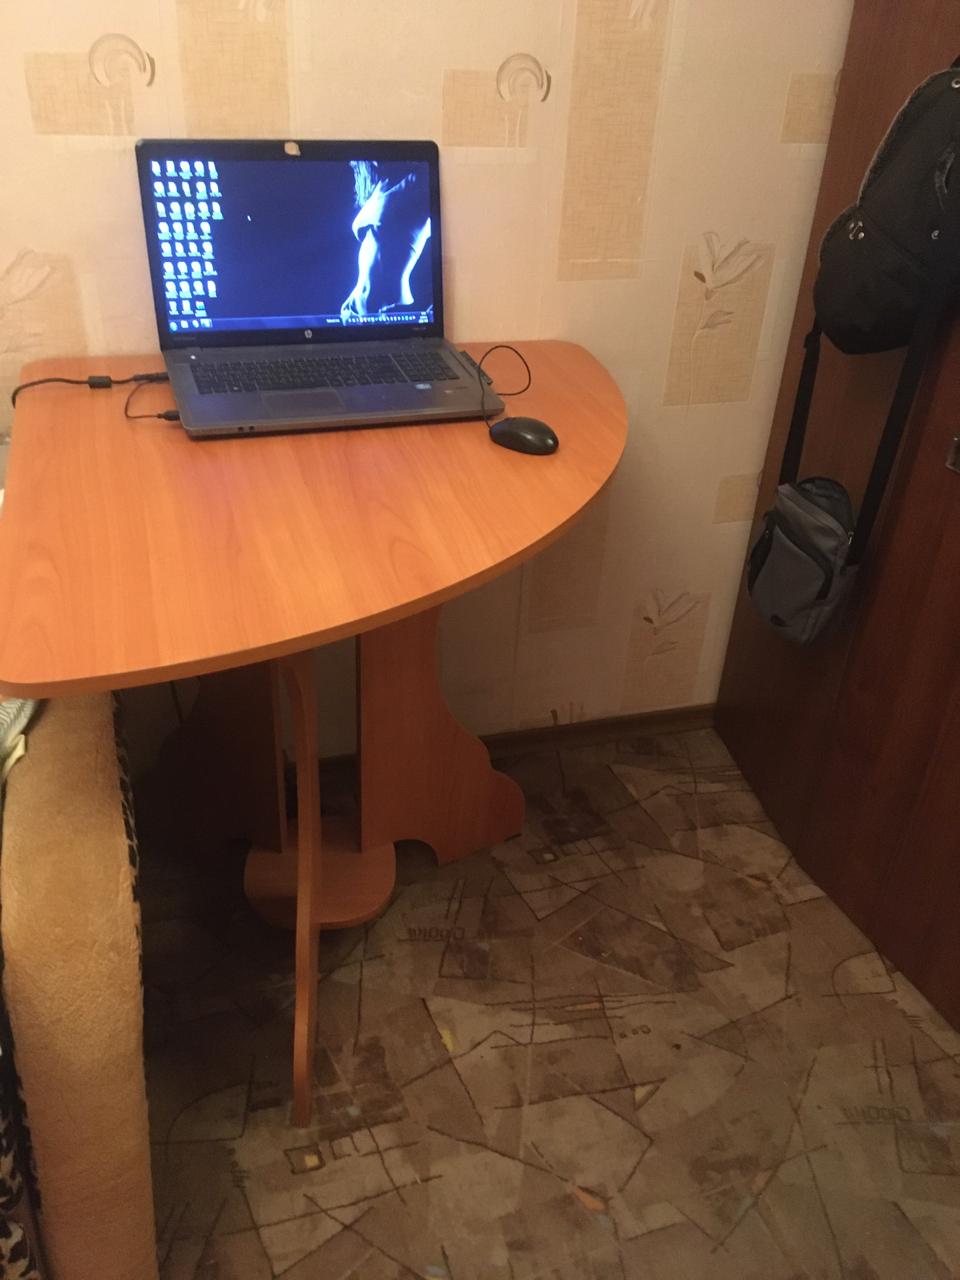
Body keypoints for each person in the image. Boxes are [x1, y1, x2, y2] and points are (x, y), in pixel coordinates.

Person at [340, 160, 432, 320]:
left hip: (391, 310)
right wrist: (356, 293)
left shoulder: (416, 181)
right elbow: (374, 251)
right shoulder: (379, 187)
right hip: (358, 311)